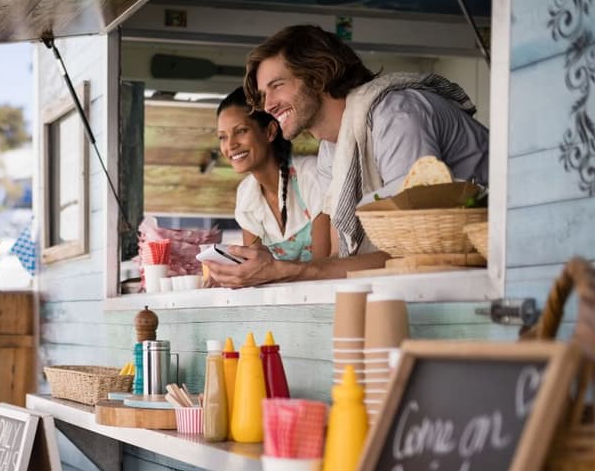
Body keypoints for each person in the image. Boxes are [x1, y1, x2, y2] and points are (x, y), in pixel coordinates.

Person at [210, 24, 490, 287]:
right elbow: (339, 260)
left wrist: (286, 270)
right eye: (263, 93)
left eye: (277, 85)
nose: (268, 104)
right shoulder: (332, 151)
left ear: (318, 75)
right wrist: (275, 271)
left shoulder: (395, 116)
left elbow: (415, 254)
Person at [216, 87, 330, 264]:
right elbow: (255, 268)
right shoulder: (246, 194)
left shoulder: (311, 175)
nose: (230, 145)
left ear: (270, 131)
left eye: (240, 131)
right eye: (222, 137)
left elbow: (323, 266)